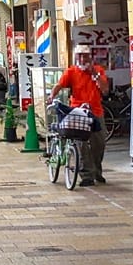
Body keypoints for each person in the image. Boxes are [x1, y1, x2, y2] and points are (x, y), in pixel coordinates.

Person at [49, 43, 109, 187]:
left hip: (95, 111)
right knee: (81, 143)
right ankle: (86, 175)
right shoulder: (72, 72)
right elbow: (59, 85)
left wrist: (94, 74)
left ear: (90, 57)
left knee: (99, 143)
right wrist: (52, 95)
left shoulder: (99, 71)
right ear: (76, 57)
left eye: (85, 56)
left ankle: (97, 171)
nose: (83, 59)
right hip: (77, 112)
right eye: (80, 56)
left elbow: (105, 90)